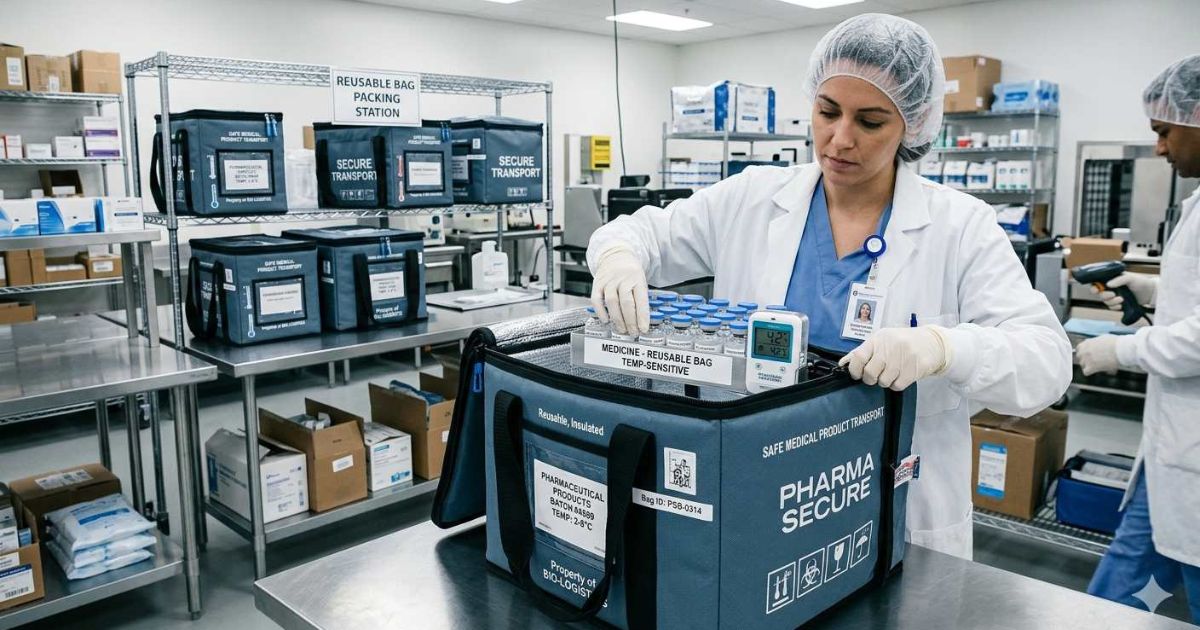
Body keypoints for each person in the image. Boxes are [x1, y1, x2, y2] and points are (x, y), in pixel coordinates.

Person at [587, 13, 1072, 560]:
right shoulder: (752, 198)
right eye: (827, 112)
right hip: (761, 486)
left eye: (870, 122)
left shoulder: (960, 227)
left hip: (894, 504)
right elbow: (639, 231)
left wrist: (942, 347)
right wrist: (620, 257)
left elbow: (1047, 361)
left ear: (911, 125)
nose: (840, 140)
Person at [1078, 55, 1200, 623]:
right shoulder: (1198, 202)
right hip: (1174, 448)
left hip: (1190, 448)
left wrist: (1118, 351)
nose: (1159, 149)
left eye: (1163, 131)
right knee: (1129, 568)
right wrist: (1147, 290)